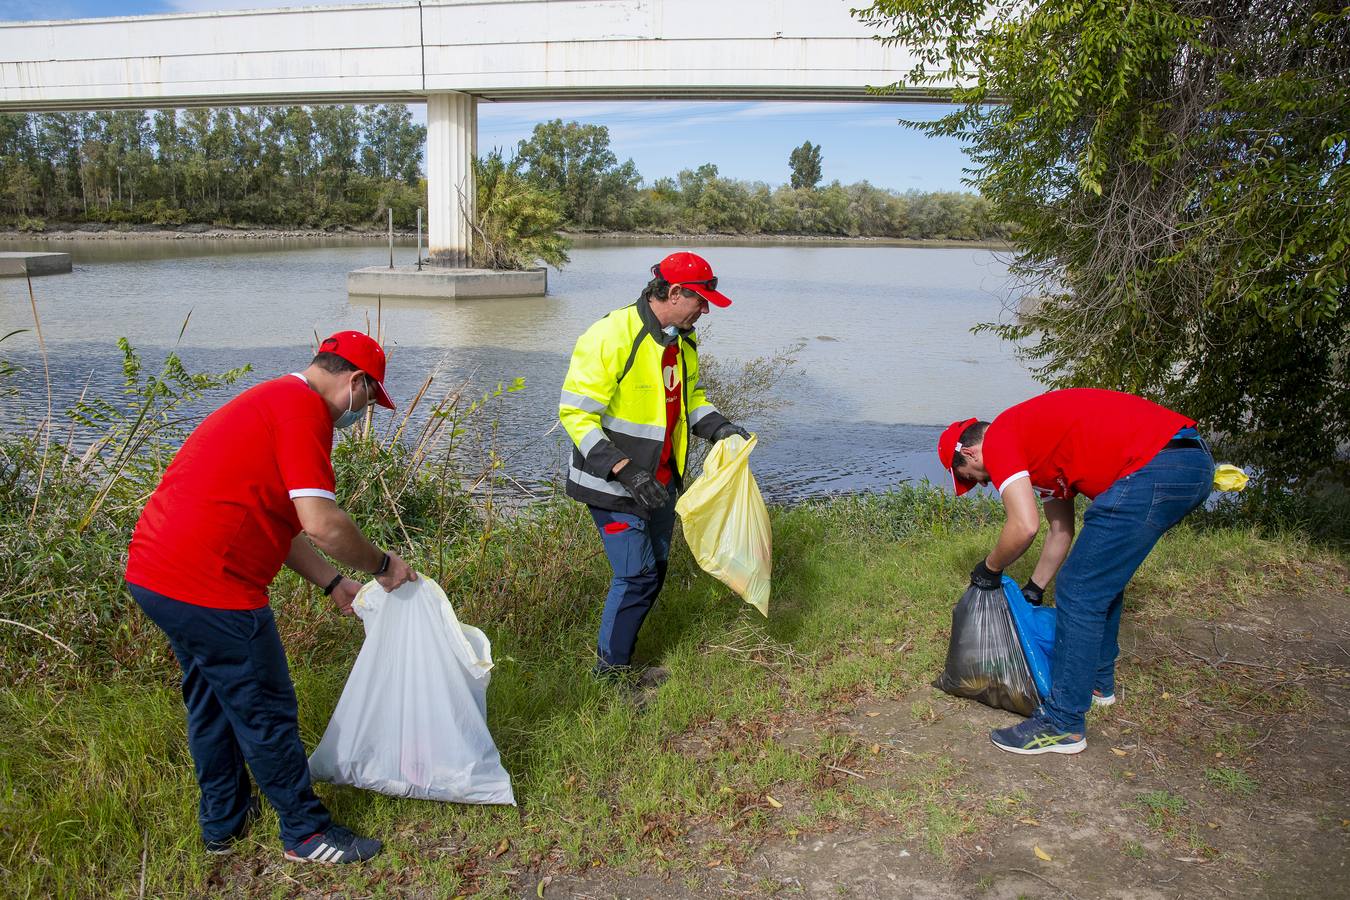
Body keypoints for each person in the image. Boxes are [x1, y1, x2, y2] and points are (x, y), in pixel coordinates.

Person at [125, 331, 417, 863]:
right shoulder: (305, 413)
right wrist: (381, 566)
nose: (365, 412)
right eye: (371, 399)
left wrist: (334, 583)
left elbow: (279, 527)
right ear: (355, 382)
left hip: (156, 573)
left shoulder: (272, 401)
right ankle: (306, 834)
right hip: (211, 585)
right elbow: (323, 524)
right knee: (265, 708)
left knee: (213, 703)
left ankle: (223, 825)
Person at [937, 388, 1213, 756]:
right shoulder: (1040, 458)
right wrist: (1035, 588)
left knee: (1080, 589)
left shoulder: (1001, 436)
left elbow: (1024, 526)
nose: (981, 484)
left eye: (970, 476)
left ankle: (1062, 723)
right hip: (1185, 462)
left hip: (1158, 464)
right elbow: (1059, 531)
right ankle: (1099, 684)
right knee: (1098, 579)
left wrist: (989, 568)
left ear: (969, 452)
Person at [559, 251, 751, 686]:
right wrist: (626, 470)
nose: (705, 311)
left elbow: (691, 398)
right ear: (675, 292)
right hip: (612, 484)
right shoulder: (610, 335)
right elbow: (576, 414)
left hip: (661, 482)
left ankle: (622, 658)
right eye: (700, 301)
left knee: (656, 570)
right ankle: (609, 677)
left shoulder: (683, 338)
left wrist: (722, 428)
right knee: (636, 575)